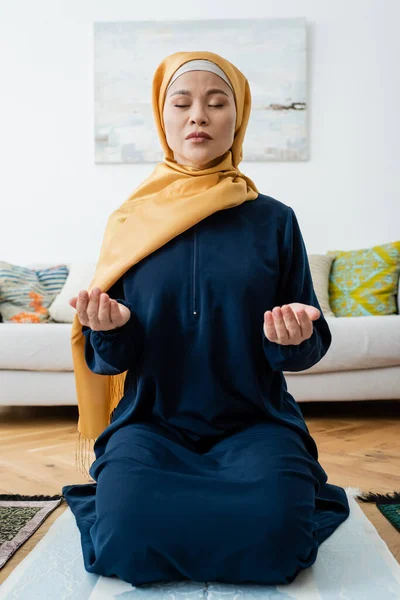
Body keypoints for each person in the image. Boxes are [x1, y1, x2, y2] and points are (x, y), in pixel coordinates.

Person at [62, 50, 350, 587]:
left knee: (277, 541)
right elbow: (110, 360)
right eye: (182, 103)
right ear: (163, 119)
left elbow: (307, 345)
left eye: (217, 103)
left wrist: (293, 336)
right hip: (151, 423)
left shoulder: (274, 220)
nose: (198, 115)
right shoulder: (129, 223)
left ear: (236, 120)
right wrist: (111, 329)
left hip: (255, 422)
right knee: (125, 535)